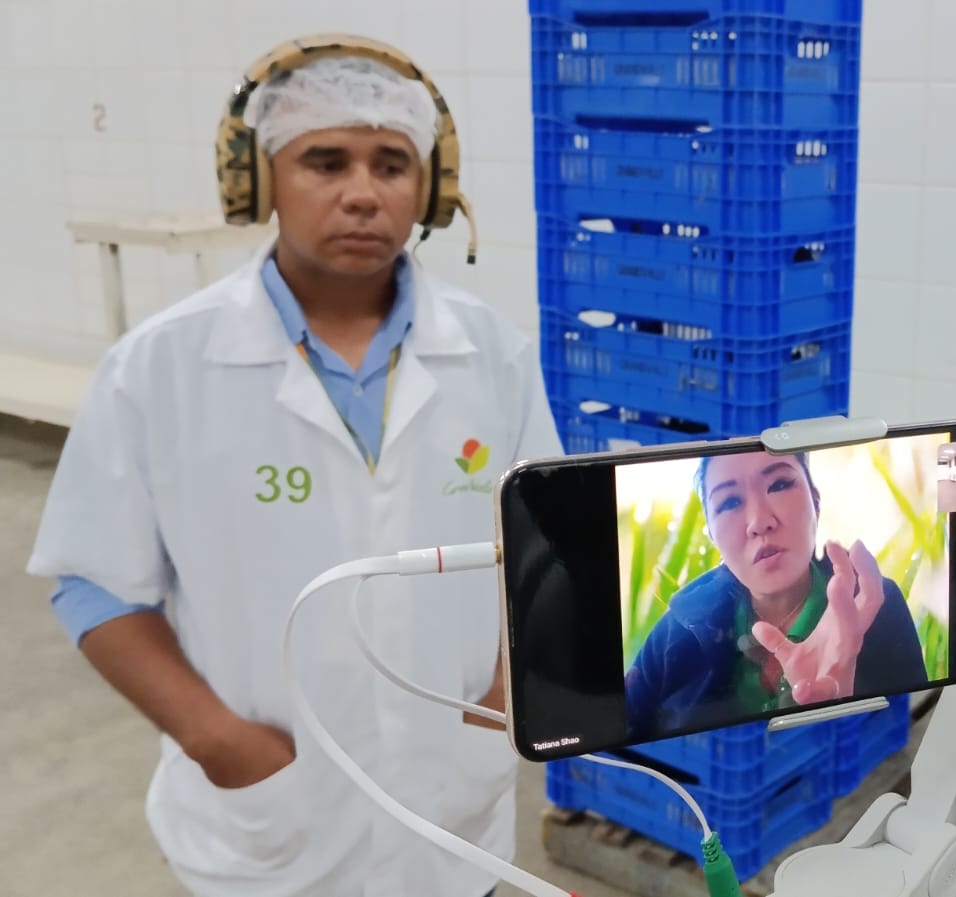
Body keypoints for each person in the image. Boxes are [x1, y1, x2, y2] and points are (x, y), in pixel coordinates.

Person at [26, 44, 560, 897]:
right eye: (325, 160)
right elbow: (97, 585)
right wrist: (218, 741)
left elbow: (542, 546)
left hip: (453, 811)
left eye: (392, 164)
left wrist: (496, 702)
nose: (362, 191)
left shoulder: (490, 353)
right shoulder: (161, 367)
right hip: (269, 818)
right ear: (259, 178)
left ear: (427, 187)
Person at [624, 450, 928, 740]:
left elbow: (910, 736)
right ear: (712, 534)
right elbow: (619, 747)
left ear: (816, 500)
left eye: (780, 484)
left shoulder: (871, 607)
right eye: (729, 502)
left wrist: (838, 716)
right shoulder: (679, 629)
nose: (759, 522)